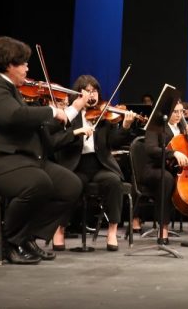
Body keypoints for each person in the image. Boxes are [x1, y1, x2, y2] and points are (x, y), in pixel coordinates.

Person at [0, 36, 82, 265]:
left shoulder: (9, 89)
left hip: (14, 159)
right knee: (37, 182)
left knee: (70, 185)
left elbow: (32, 126)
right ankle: (8, 243)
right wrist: (51, 111)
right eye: (23, 63)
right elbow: (13, 116)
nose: (27, 68)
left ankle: (26, 237)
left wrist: (67, 114)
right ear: (8, 64)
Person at [49, 75, 135, 252]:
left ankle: (112, 231)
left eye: (94, 91)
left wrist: (125, 127)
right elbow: (56, 141)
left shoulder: (104, 115)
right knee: (70, 184)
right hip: (75, 165)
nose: (91, 94)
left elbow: (114, 141)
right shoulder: (69, 115)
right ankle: (60, 229)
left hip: (100, 165)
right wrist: (76, 133)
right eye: (87, 91)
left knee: (114, 182)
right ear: (78, 94)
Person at [140, 100, 188, 246]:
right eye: (175, 112)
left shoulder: (184, 126)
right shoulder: (155, 126)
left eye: (181, 111)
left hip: (181, 170)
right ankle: (163, 229)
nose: (179, 115)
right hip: (156, 168)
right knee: (167, 180)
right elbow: (150, 149)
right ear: (167, 112)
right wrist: (173, 153)